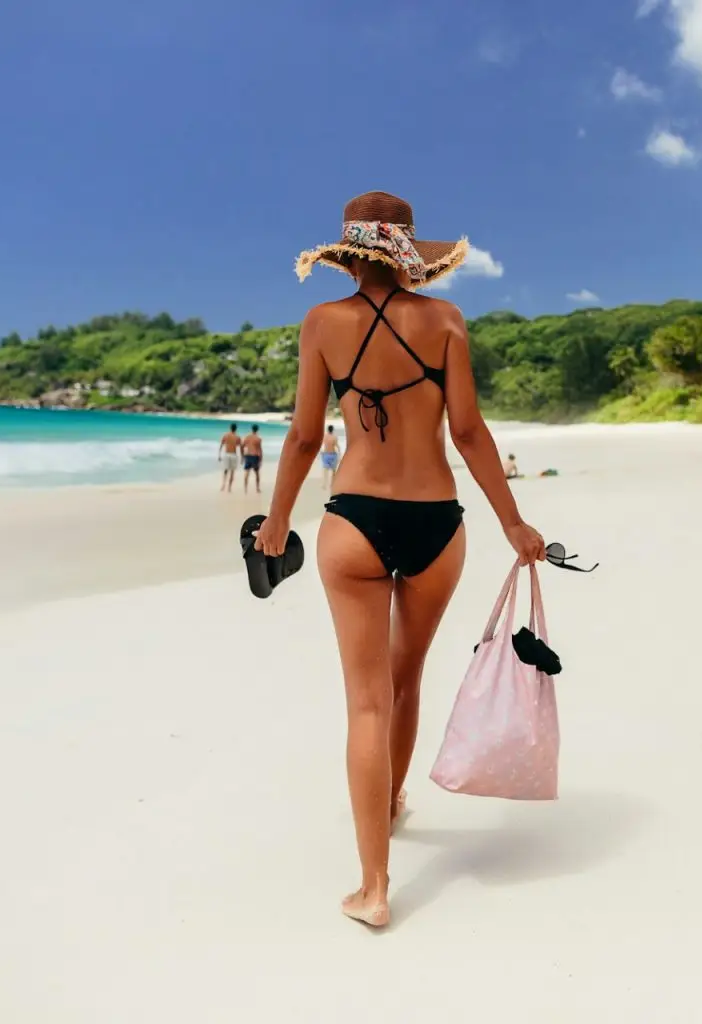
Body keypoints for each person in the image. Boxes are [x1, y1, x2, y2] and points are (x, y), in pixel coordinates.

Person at [253, 191, 545, 929]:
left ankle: (375, 886)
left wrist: (280, 519)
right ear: (406, 253)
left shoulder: (322, 324)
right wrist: (513, 522)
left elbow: (298, 437)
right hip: (437, 523)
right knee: (405, 675)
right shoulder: (444, 321)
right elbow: (471, 432)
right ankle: (390, 800)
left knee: (365, 700)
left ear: (349, 256)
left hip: (353, 521)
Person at [218, 423, 241, 492]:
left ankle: (223, 484)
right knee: (232, 472)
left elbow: (221, 445)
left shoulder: (225, 435)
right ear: (236, 429)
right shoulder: (237, 437)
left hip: (227, 454)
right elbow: (240, 446)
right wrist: (243, 456)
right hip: (233, 455)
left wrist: (219, 455)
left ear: (230, 428)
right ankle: (229, 488)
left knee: (225, 470)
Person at [241, 425, 264, 494]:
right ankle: (257, 488)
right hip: (255, 456)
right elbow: (259, 449)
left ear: (252, 429)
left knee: (247, 473)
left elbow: (242, 446)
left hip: (247, 455)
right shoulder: (258, 438)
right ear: (257, 430)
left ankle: (245, 489)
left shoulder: (247, 437)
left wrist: (243, 455)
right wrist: (261, 459)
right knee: (256, 473)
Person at [319, 425, 342, 490]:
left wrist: (321, 452)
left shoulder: (325, 437)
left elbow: (321, 445)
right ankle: (332, 484)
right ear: (333, 430)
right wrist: (340, 455)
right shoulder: (334, 437)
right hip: (333, 455)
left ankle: (324, 484)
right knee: (333, 471)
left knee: (325, 470)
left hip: (326, 454)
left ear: (327, 430)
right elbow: (338, 447)